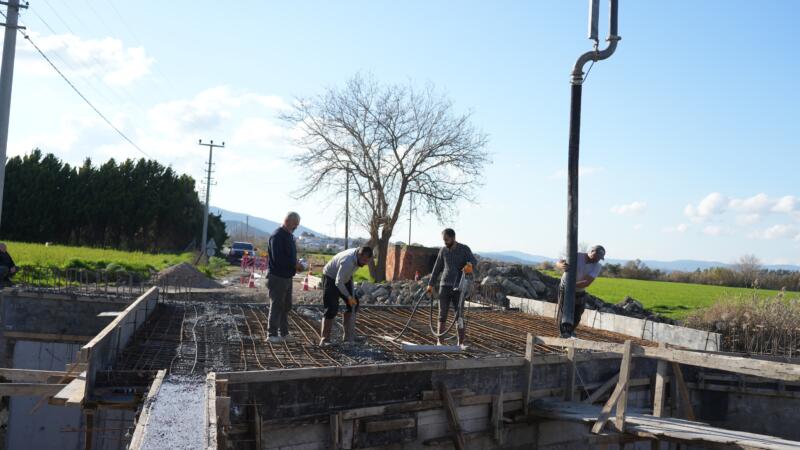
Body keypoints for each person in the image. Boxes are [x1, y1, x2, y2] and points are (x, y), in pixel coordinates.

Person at [426, 229, 477, 346]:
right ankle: (440, 342)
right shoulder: (443, 251)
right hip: (444, 286)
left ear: (453, 238)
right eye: (444, 240)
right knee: (442, 314)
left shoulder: (464, 249)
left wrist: (469, 265)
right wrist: (430, 284)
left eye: (447, 240)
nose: (445, 242)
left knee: (459, 315)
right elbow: (436, 269)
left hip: (459, 287)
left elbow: (474, 261)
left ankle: (461, 343)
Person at [319, 246, 373, 346]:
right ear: (359, 255)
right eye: (364, 260)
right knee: (331, 308)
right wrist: (349, 297)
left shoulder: (358, 257)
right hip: (331, 277)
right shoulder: (347, 261)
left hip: (344, 278)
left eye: (367, 261)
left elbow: (345, 275)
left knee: (354, 304)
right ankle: (325, 339)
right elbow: (338, 282)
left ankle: (348, 336)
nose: (365, 263)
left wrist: (351, 298)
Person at [266, 212, 304, 343]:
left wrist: (296, 263)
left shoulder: (289, 236)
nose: (296, 227)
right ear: (287, 221)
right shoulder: (277, 236)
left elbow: (289, 256)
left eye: (297, 225)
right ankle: (272, 334)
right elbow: (278, 258)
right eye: (295, 224)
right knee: (277, 305)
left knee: (286, 306)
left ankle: (284, 333)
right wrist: (294, 264)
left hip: (287, 276)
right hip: (277, 276)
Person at [556, 245, 605, 337]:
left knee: (578, 314)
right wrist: (561, 265)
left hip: (579, 290)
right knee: (564, 312)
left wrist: (571, 285)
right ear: (591, 252)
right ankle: (563, 334)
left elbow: (586, 282)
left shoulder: (597, 266)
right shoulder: (577, 256)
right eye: (596, 256)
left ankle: (570, 332)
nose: (597, 259)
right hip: (564, 288)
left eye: (599, 258)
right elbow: (558, 262)